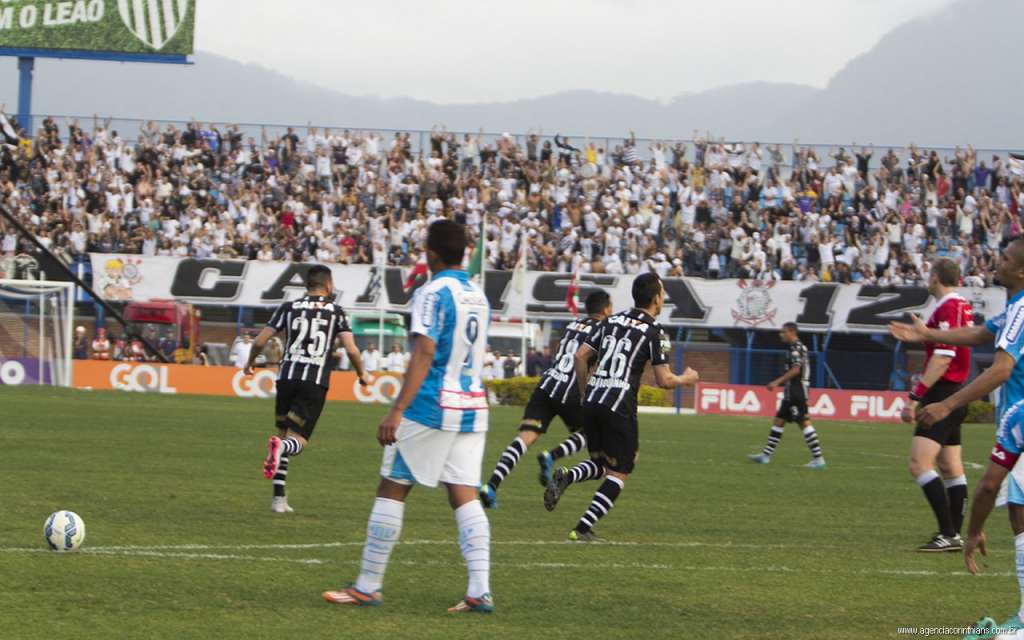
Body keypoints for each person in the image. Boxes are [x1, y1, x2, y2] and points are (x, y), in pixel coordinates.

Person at [322, 220, 495, 613]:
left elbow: (424, 352)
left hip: (433, 405)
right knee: (464, 493)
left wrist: (397, 409)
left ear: (431, 253)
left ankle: (367, 585)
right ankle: (479, 589)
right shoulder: (478, 295)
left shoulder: (432, 292)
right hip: (472, 405)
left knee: (393, 485)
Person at [889, 237, 1024, 635]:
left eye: (1003, 258)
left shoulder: (1022, 309)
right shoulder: (1012, 310)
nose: (995, 261)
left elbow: (1000, 368)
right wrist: (929, 336)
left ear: (1019, 270)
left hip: (1022, 423)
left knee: (1019, 516)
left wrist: (947, 405)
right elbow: (983, 333)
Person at [543, 273, 699, 541]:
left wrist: (584, 391)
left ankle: (568, 476)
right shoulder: (654, 331)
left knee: (602, 463)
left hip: (592, 400)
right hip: (619, 404)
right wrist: (687, 378)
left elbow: (580, 356)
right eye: (662, 294)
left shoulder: (609, 322)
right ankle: (582, 528)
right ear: (656, 298)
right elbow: (664, 380)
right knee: (623, 468)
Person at [244, 265, 369, 513]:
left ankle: (278, 500)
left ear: (307, 286)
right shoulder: (337, 311)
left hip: (286, 377)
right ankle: (281, 450)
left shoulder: (288, 307)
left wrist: (249, 363)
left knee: (282, 433)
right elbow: (351, 349)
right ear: (329, 285)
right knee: (296, 441)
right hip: (313, 380)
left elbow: (260, 340)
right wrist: (362, 373)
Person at [480, 291, 613, 508]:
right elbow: (593, 363)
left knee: (525, 437)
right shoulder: (605, 331)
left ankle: (492, 485)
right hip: (572, 389)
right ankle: (552, 456)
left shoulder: (573, 325)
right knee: (589, 434)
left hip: (548, 384)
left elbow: (560, 352)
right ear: (606, 309)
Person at [901, 258, 973, 552]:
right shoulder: (960, 306)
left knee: (919, 464)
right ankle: (954, 533)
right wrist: (916, 335)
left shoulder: (948, 306)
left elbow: (943, 359)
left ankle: (948, 533)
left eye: (928, 275)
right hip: (956, 392)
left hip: (942, 395)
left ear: (935, 277)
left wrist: (915, 397)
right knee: (950, 466)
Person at [747, 322, 826, 468]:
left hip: (797, 390)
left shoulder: (795, 349)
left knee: (803, 422)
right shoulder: (799, 347)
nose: (781, 334)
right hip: (792, 390)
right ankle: (765, 455)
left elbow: (796, 370)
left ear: (791, 332)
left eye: (783, 332)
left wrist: (777, 382)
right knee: (779, 420)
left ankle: (818, 458)